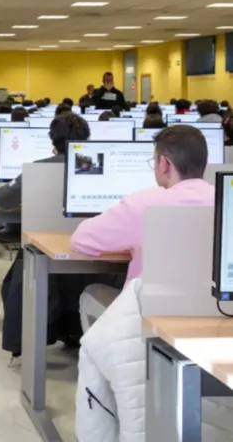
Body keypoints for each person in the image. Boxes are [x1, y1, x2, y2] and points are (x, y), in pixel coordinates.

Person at [72, 126, 219, 441]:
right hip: (215, 322)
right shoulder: (225, 199)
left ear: (164, 164)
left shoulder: (148, 203)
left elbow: (82, 241)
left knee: (90, 294)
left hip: (150, 324)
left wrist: (130, 241)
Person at [0, 114, 117, 357]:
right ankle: (74, 328)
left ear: (53, 141)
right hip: (97, 255)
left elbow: (1, 199)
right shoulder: (102, 168)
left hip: (46, 253)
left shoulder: (38, 169)